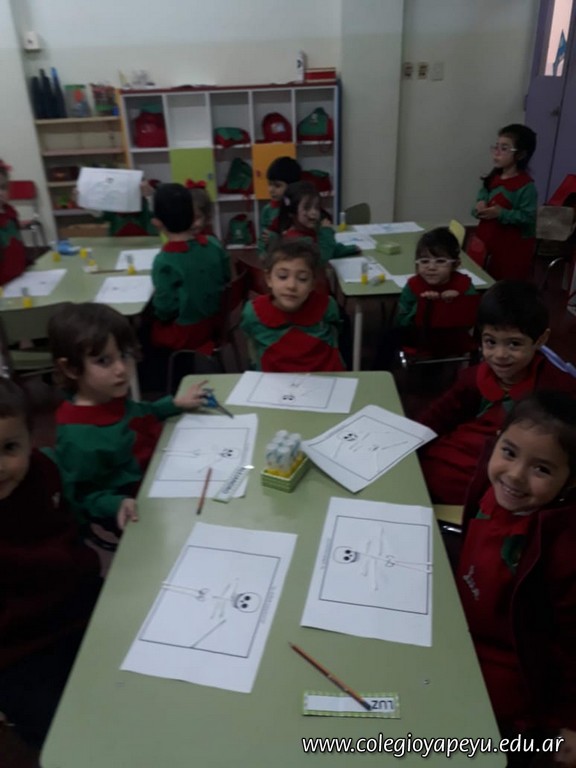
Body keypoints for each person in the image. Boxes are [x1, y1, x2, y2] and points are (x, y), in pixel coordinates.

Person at [458, 391, 576, 764]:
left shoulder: (562, 548)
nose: (515, 476)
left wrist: (567, 723)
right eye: (509, 452)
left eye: (542, 469)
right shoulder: (490, 490)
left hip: (506, 677)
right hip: (458, 629)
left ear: (570, 482)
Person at [0, 378, 101, 748]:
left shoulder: (42, 471)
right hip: (18, 647)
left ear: (31, 439)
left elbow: (67, 528)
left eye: (9, 448)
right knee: (65, 737)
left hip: (73, 601)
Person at [48, 302, 208, 533]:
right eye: (104, 361)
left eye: (124, 355)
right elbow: (82, 497)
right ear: (71, 369)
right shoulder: (77, 437)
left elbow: (139, 413)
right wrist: (116, 504)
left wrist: (174, 404)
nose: (121, 369)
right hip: (137, 509)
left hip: (159, 473)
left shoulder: (107, 395)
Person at [418, 280, 576, 505]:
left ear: (541, 340)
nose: (500, 355)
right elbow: (438, 414)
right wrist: (409, 443)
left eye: (514, 344)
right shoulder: (476, 375)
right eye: (490, 342)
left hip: (492, 480)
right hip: (447, 460)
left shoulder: (556, 389)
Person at [240, 239, 344, 372]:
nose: (291, 286)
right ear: (269, 279)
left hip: (324, 377)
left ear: (312, 283)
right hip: (273, 380)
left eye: (302, 279)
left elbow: (336, 338)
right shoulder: (253, 312)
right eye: (282, 276)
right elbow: (253, 352)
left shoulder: (327, 307)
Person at [150, 183, 230, 353]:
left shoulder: (165, 261)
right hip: (216, 322)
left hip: (188, 333)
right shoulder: (213, 243)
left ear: (157, 223)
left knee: (145, 327)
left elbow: (165, 310)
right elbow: (226, 277)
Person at [472, 124, 537, 280]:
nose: (497, 153)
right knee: (482, 278)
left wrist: (501, 213)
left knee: (503, 284)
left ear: (520, 155)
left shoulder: (526, 186)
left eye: (504, 148)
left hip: (511, 249)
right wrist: (480, 205)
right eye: (496, 147)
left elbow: (528, 217)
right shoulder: (493, 178)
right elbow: (481, 197)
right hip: (487, 241)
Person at [395, 227, 476, 327]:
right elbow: (401, 323)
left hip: (455, 335)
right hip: (418, 336)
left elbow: (474, 322)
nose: (431, 267)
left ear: (455, 264)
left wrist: (459, 300)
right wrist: (422, 304)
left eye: (440, 261)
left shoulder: (464, 285)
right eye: (424, 261)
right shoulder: (413, 285)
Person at [277, 181, 361, 263]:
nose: (314, 212)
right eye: (307, 208)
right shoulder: (296, 240)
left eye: (317, 207)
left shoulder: (309, 230)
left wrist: (349, 249)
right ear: (292, 212)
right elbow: (323, 258)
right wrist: (326, 232)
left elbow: (328, 248)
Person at [257, 156, 301, 255]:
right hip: (273, 257)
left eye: (277, 185)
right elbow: (262, 240)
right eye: (269, 184)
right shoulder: (267, 210)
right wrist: (262, 255)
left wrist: (276, 238)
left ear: (292, 186)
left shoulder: (299, 210)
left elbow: (300, 240)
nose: (271, 190)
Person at [0, 158, 27, 285]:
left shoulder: (10, 212)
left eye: (3, 187)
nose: (0, 193)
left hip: (17, 277)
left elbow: (17, 244)